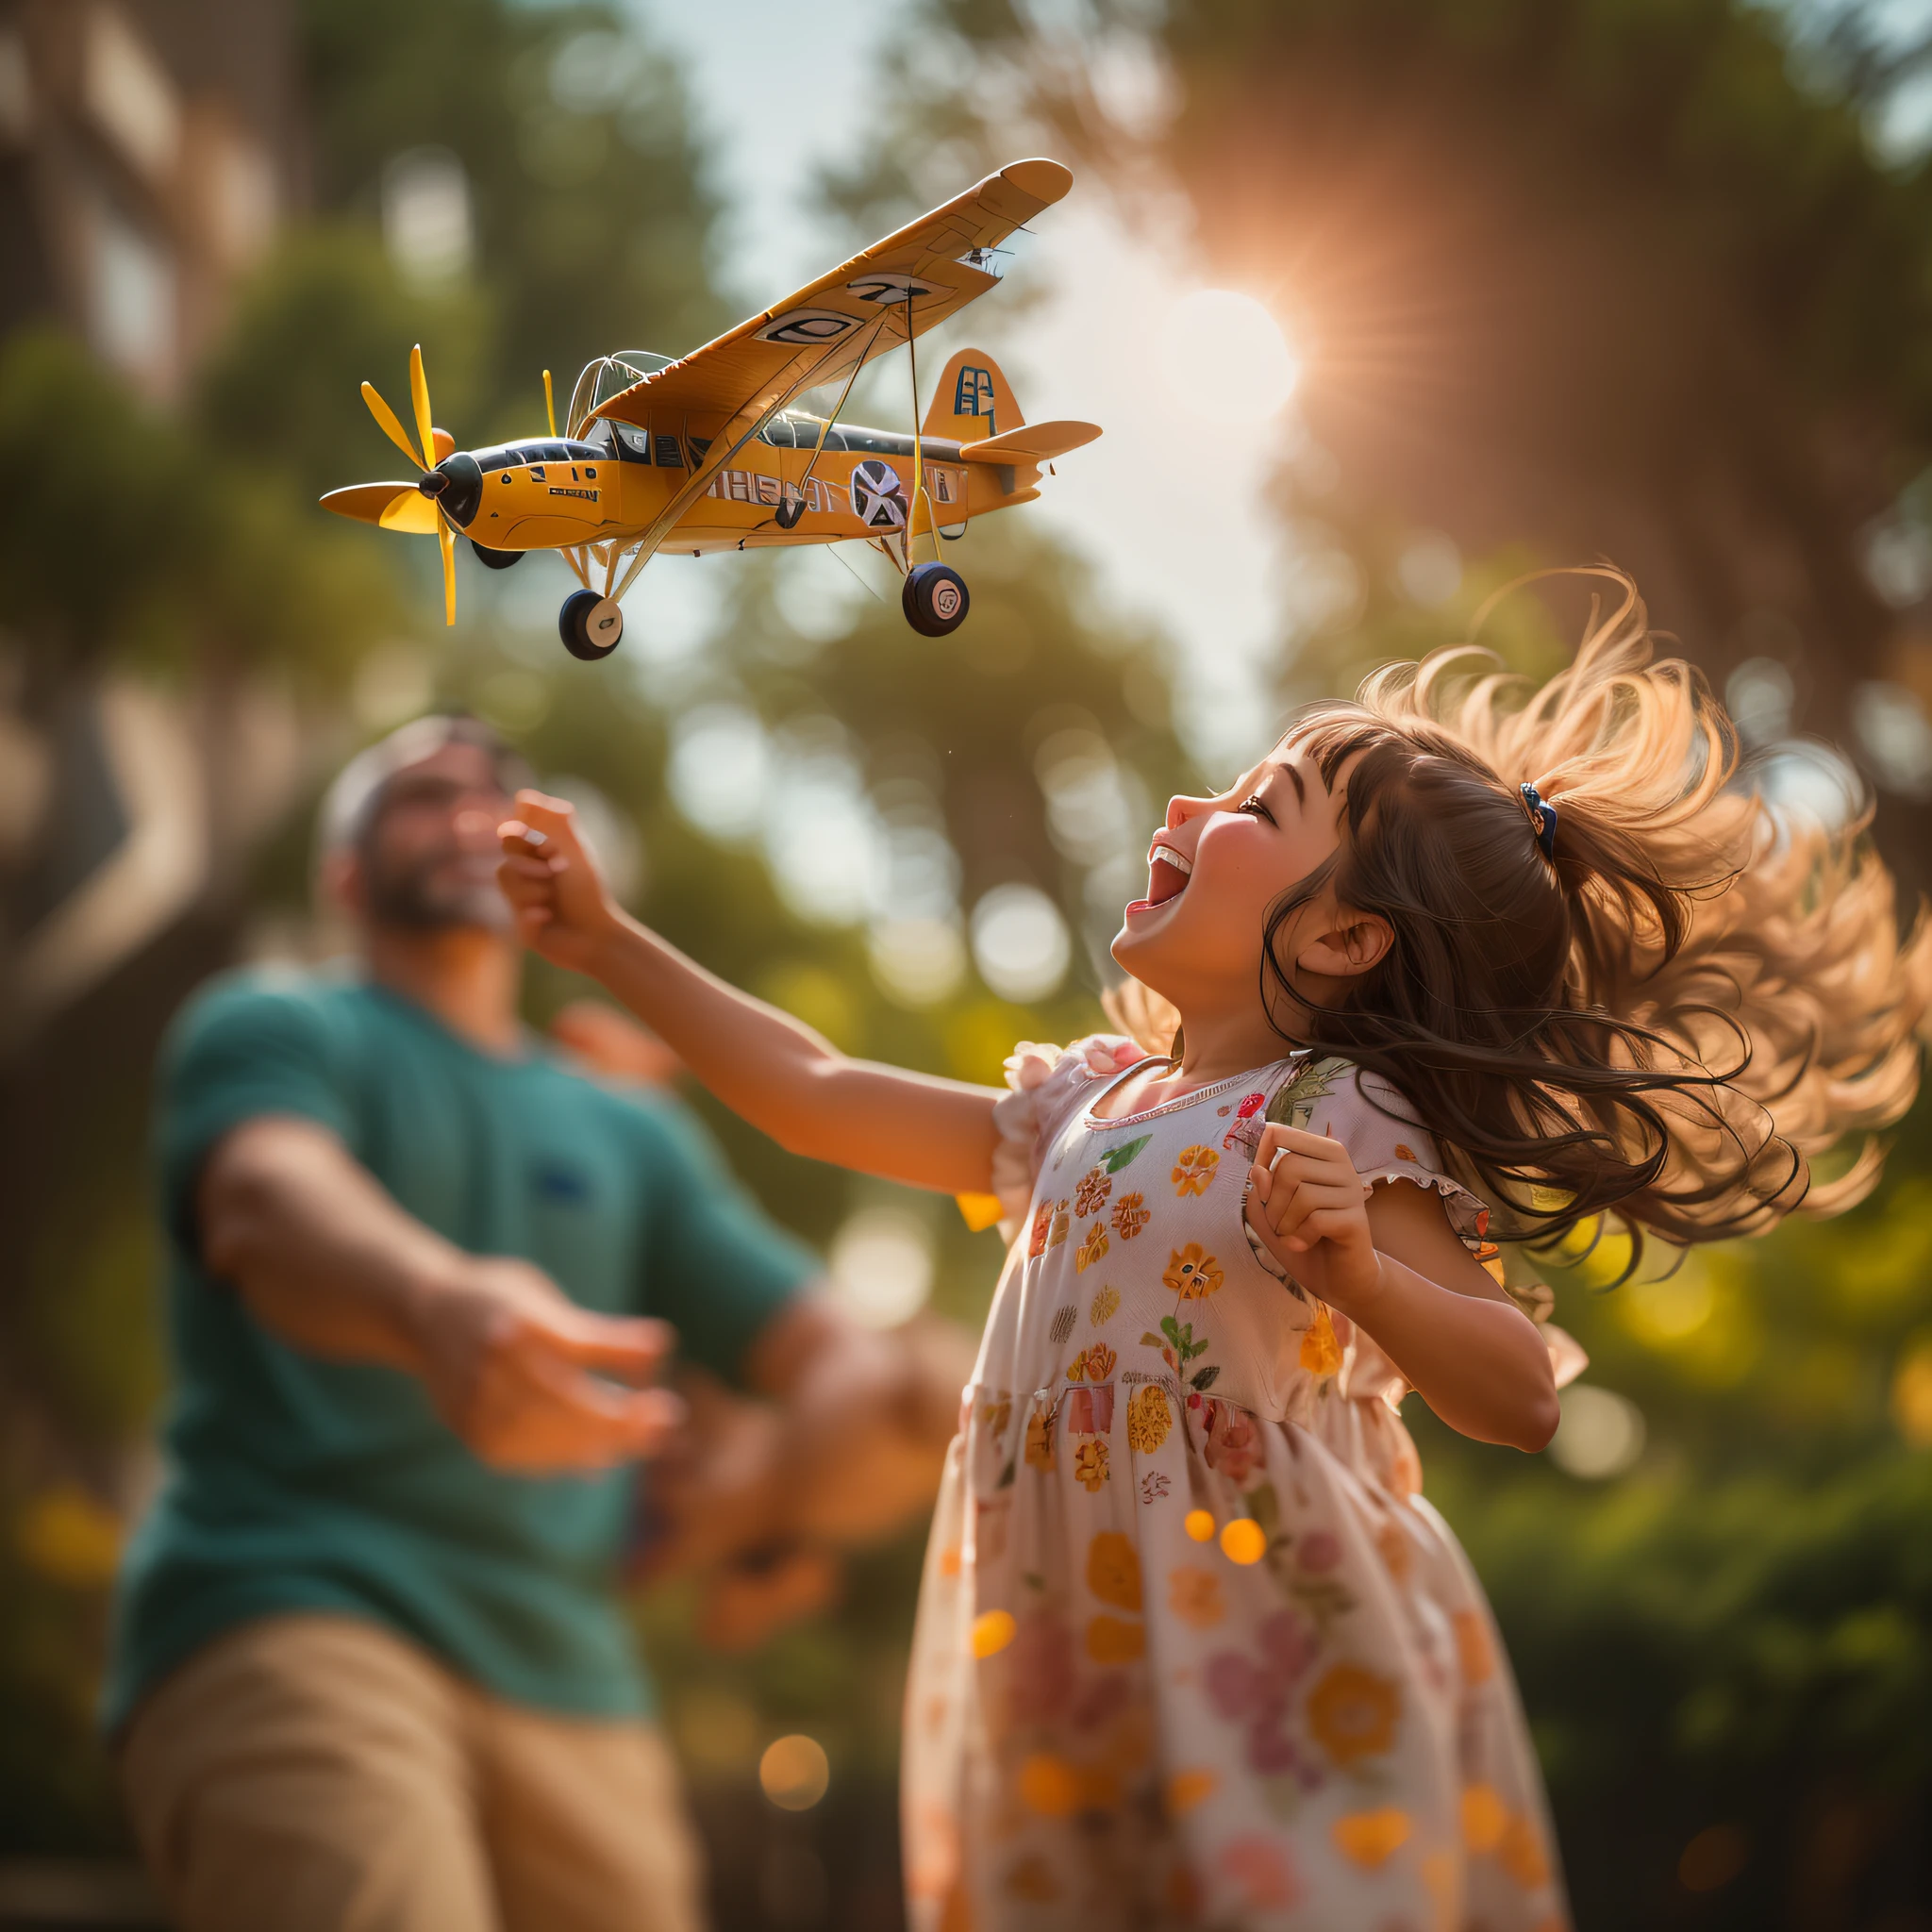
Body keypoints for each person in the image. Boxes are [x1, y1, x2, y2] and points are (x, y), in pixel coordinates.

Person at [496, 570, 1928, 1931]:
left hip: (1278, 1654)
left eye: (1258, 804)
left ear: (1348, 939)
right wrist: (612, 944)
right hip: (1063, 1651)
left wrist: (1361, 1275)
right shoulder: (1085, 1104)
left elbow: (1517, 1389)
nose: (1191, 801)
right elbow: (814, 1098)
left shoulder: (1338, 1112)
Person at [108, 715, 958, 1932]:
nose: (468, 816)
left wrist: (779, 1493)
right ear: (342, 874)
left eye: (498, 798)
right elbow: (262, 1201)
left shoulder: (630, 1131)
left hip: (574, 1680)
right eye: (419, 795)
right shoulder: (275, 1026)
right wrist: (436, 1304)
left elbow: (841, 1367)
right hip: (288, 1605)